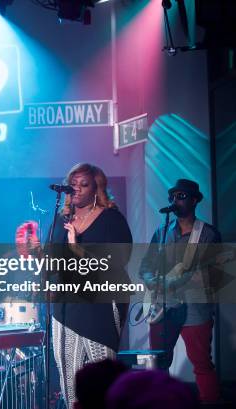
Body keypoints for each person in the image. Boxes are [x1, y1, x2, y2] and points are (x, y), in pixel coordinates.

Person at [49, 163, 133, 409]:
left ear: (97, 189)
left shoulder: (111, 219)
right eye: (73, 184)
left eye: (84, 185)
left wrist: (78, 250)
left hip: (100, 306)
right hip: (66, 306)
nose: (77, 190)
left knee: (102, 380)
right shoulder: (61, 220)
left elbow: (119, 261)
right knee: (69, 379)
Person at [139, 179, 221, 404]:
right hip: (163, 307)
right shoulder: (163, 231)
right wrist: (152, 282)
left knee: (202, 363)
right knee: (158, 362)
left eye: (182, 196)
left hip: (195, 308)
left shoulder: (207, 235)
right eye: (173, 196)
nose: (176, 201)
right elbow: (145, 266)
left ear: (195, 200)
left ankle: (210, 402)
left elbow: (216, 275)